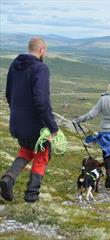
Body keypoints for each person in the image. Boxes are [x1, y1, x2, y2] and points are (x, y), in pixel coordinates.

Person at [1, 37, 58, 203]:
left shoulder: (15, 65)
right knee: (42, 154)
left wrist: (17, 113)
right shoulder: (40, 68)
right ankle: (31, 195)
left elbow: (8, 93)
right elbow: (41, 100)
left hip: (18, 122)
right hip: (36, 125)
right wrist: (52, 127)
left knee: (26, 151)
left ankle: (9, 178)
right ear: (41, 50)